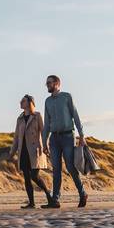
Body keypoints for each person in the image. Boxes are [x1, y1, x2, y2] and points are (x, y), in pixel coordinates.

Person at [42, 74, 88, 208]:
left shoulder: (67, 97)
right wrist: (44, 142)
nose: (47, 86)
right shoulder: (47, 101)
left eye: (49, 83)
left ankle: (82, 193)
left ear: (57, 83)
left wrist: (82, 135)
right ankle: (55, 200)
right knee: (56, 169)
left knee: (70, 167)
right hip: (54, 139)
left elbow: (75, 115)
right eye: (46, 84)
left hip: (68, 136)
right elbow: (47, 123)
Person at [8, 95, 51, 209]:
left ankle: (49, 195)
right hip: (23, 151)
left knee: (34, 176)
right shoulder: (20, 118)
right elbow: (17, 137)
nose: (21, 102)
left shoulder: (37, 116)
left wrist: (46, 146)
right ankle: (31, 203)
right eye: (21, 101)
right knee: (27, 177)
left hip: (35, 150)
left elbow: (44, 132)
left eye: (23, 101)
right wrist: (12, 152)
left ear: (30, 102)